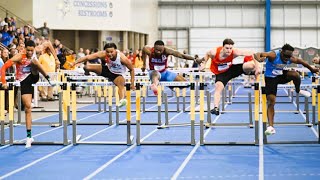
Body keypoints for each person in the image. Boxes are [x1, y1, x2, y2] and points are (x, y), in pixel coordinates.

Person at [1, 40, 57, 148]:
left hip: (34, 74)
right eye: (28, 50)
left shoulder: (38, 50)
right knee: (27, 107)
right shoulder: (19, 56)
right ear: (25, 49)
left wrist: (56, 58)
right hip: (24, 80)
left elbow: (49, 43)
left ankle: (48, 79)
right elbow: (3, 68)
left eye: (32, 50)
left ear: (35, 48)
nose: (30, 52)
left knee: (35, 61)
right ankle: (29, 136)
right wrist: (4, 82)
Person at [254, 43, 319, 135]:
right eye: (285, 56)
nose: (286, 59)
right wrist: (259, 59)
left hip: (281, 76)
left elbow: (302, 62)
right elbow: (258, 54)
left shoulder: (290, 58)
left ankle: (298, 90)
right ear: (281, 52)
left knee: (295, 75)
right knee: (271, 101)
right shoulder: (273, 55)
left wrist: (312, 69)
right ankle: (271, 127)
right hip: (270, 78)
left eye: (289, 56)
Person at [199, 38, 260, 115]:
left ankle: (249, 72)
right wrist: (203, 64)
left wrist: (257, 67)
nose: (229, 50)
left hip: (231, 69)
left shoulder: (235, 52)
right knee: (218, 88)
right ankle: (216, 108)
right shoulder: (214, 52)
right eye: (227, 48)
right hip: (221, 74)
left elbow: (253, 53)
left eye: (231, 48)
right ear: (223, 47)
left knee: (251, 65)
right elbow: (207, 54)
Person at [71, 42, 135, 107]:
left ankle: (122, 100)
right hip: (107, 69)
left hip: (117, 74)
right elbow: (87, 57)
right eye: (107, 52)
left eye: (111, 52)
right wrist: (74, 63)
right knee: (86, 67)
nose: (109, 54)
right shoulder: (103, 54)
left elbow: (132, 69)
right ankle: (87, 76)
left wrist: (132, 84)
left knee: (120, 84)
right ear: (105, 51)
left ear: (115, 50)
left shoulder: (122, 58)